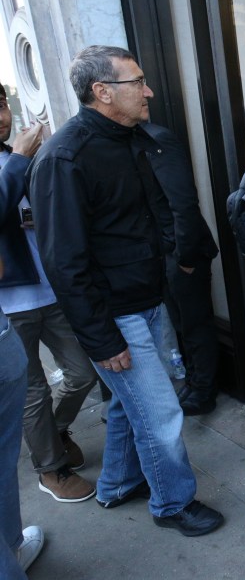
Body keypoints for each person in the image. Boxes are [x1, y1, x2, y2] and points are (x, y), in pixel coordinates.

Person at [28, 45, 223, 536]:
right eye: (138, 81)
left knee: (126, 403)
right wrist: (101, 338)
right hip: (116, 316)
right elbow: (64, 261)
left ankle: (116, 483)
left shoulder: (130, 140)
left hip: (148, 301)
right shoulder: (64, 157)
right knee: (160, 414)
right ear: (102, 92)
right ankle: (173, 503)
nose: (149, 91)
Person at [0, 87, 99, 503]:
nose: (1, 117)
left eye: (1, 105)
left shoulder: (12, 156)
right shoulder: (15, 159)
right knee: (32, 392)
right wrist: (22, 159)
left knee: (83, 372)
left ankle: (55, 432)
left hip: (50, 287)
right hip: (9, 304)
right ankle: (50, 469)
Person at [141, 122, 221, 416]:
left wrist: (184, 256)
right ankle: (194, 380)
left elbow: (183, 202)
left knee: (194, 323)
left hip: (181, 253)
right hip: (163, 253)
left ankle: (204, 390)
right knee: (180, 323)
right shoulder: (135, 141)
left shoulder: (157, 138)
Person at [2, 152, 44, 579]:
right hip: (11, 309)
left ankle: (12, 544)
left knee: (3, 454)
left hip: (44, 293)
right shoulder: (16, 162)